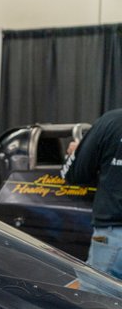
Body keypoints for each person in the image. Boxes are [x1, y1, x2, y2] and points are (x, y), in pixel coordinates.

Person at [62, 108, 122, 279]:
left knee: (96, 302)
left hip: (113, 237)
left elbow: (74, 174)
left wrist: (75, 153)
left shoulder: (112, 121)